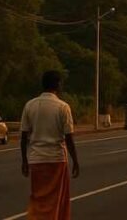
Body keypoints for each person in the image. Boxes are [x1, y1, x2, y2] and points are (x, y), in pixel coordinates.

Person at [20, 70, 80, 220]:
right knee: (56, 201)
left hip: (36, 160)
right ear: (58, 84)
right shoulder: (63, 107)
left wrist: (24, 161)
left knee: (38, 199)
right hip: (56, 160)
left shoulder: (30, 105)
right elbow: (69, 138)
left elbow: (23, 137)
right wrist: (76, 161)